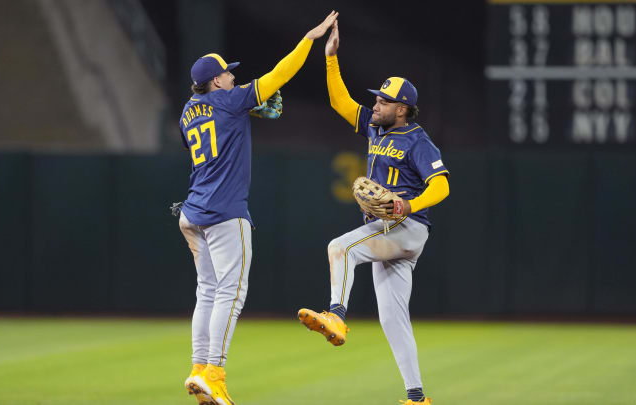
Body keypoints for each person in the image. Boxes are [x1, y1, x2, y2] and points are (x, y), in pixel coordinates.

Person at [177, 11, 339, 405]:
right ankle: (214, 373)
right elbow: (281, 74)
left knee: (207, 292)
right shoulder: (231, 99)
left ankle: (198, 370)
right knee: (231, 293)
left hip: (192, 212)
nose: (233, 76)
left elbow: (210, 132)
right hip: (224, 213)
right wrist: (310, 38)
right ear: (216, 81)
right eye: (228, 74)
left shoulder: (186, 112)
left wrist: (242, 109)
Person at [297, 20, 449, 405]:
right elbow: (340, 102)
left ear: (402, 109)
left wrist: (408, 203)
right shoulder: (375, 129)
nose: (376, 104)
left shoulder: (418, 141)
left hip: (407, 225)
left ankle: (336, 314)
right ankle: (417, 397)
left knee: (340, 248)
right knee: (393, 319)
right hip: (392, 233)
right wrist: (330, 59)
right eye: (377, 99)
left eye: (383, 101)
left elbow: (443, 185)